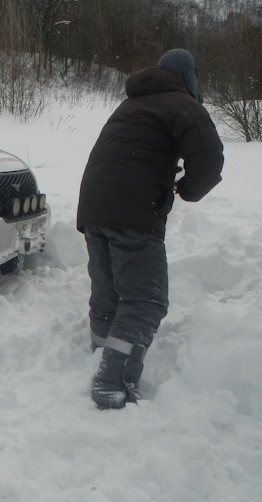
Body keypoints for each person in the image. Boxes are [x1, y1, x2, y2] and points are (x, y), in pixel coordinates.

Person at [76, 49, 224, 409]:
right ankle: (112, 381)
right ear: (189, 77)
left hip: (94, 206)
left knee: (108, 289)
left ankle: (99, 352)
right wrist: (187, 190)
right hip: (134, 209)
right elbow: (208, 159)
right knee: (146, 298)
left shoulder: (130, 106)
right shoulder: (183, 104)